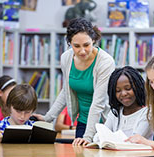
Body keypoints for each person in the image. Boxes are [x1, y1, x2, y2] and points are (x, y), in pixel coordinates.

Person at [33, 17, 115, 145]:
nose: (82, 51)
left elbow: (98, 103)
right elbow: (66, 91)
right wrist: (47, 118)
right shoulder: (66, 58)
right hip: (82, 122)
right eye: (76, 46)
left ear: (93, 40)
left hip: (104, 123)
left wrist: (88, 137)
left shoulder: (105, 62)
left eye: (86, 45)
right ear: (69, 43)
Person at [79, 66, 154, 147]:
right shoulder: (115, 113)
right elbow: (99, 137)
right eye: (118, 91)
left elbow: (133, 142)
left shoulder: (147, 113)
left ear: (138, 87)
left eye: (128, 88)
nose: (124, 93)